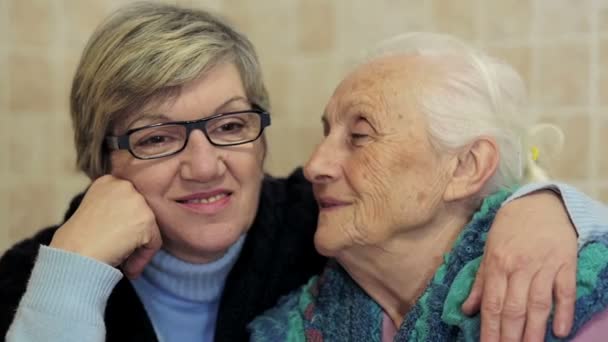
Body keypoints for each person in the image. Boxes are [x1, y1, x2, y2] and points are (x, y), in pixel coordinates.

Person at [0, 3, 603, 342]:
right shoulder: (27, 283)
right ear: (102, 159)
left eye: (232, 125)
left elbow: (451, 202)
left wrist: (544, 201)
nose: (205, 166)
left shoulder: (323, 222)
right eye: (157, 138)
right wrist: (71, 272)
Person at [248, 32, 608, 341]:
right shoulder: (289, 328)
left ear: (466, 167)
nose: (314, 166)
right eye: (327, 133)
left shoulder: (575, 301)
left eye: (359, 135)